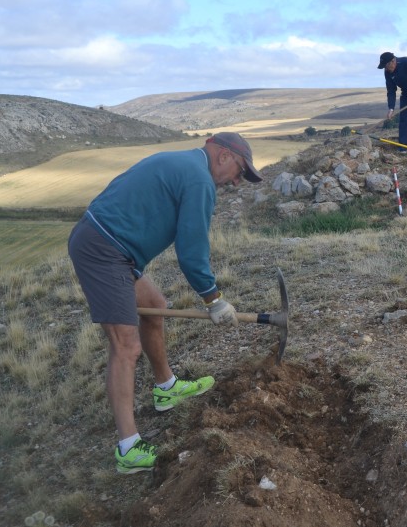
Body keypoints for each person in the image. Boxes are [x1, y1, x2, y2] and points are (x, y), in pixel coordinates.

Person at [67, 132, 263, 474]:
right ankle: (129, 448)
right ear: (223, 156)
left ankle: (166, 388)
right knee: (125, 346)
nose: (236, 182)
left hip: (113, 248)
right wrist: (213, 299)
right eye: (239, 172)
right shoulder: (199, 179)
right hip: (103, 250)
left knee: (154, 304)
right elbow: (191, 251)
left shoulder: (185, 163)